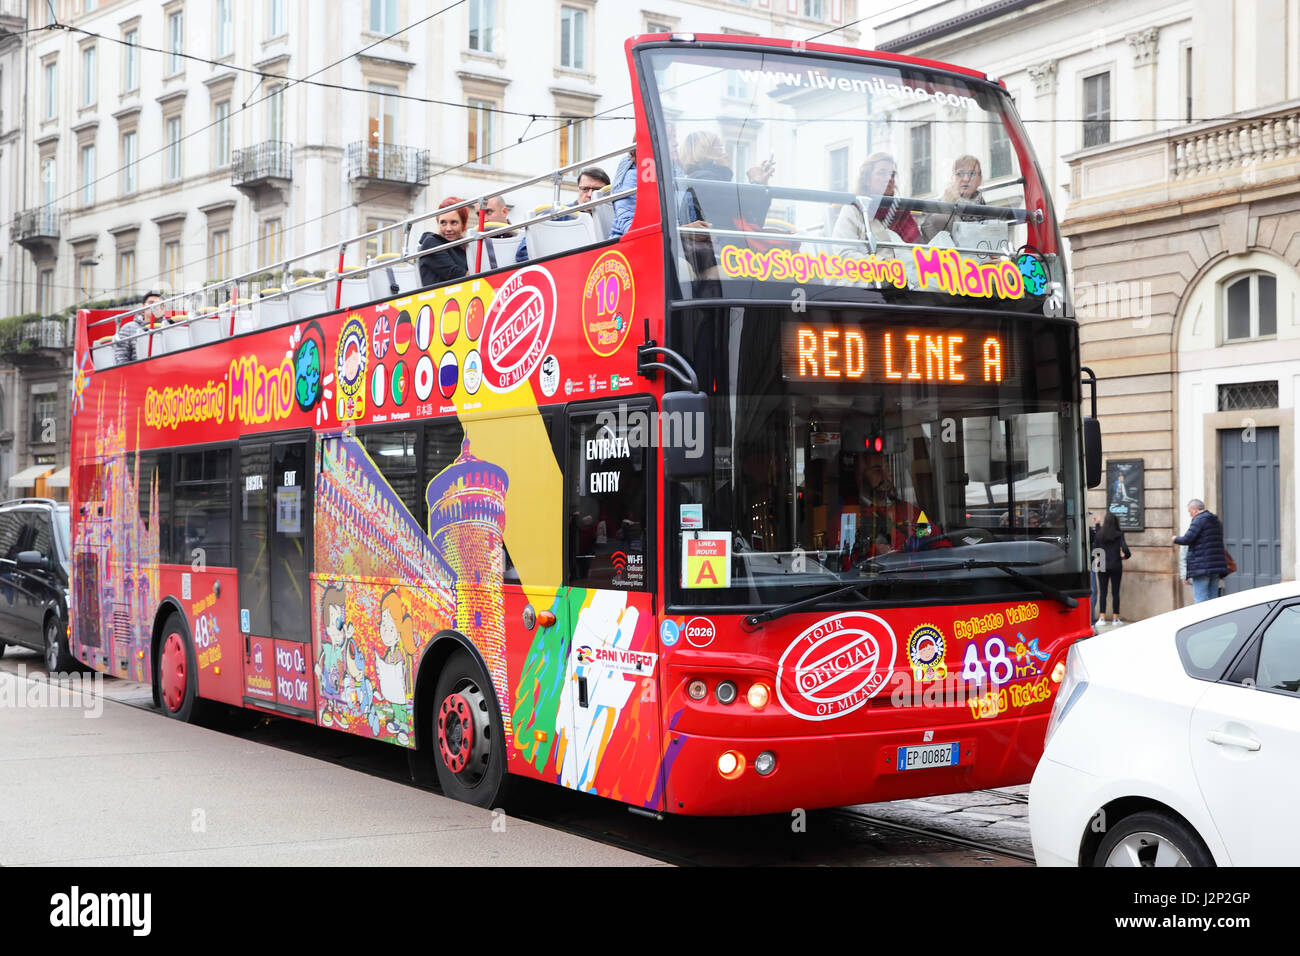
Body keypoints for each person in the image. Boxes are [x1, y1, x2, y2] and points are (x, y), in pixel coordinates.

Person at [514, 166, 610, 263]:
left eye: (596, 190)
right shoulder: (558, 215)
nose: (589, 195)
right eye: (585, 189)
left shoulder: (613, 218)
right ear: (578, 189)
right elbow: (523, 252)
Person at [833, 152, 922, 248]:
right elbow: (845, 251)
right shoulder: (854, 209)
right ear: (867, 180)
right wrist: (881, 262)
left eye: (892, 175)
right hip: (872, 262)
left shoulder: (900, 211)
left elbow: (919, 249)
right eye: (882, 173)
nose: (889, 178)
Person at [1173, 498, 1228, 603]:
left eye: (1190, 512)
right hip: (1215, 566)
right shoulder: (1215, 520)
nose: (1190, 515)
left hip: (1201, 566)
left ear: (1194, 509)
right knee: (1213, 599)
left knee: (1200, 600)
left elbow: (1187, 539)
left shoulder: (1198, 520)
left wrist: (1175, 539)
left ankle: (1204, 619)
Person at [921, 155, 987, 239]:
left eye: (972, 173)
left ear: (980, 180)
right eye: (960, 174)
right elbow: (930, 237)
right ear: (952, 178)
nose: (966, 179)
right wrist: (945, 207)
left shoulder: (989, 211)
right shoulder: (932, 206)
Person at [417, 197, 469, 286]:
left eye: (454, 223)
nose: (448, 229)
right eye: (443, 223)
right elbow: (456, 274)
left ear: (463, 225)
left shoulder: (465, 246)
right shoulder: (431, 243)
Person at [1095, 513, 1132, 625]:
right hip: (1116, 565)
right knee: (1115, 592)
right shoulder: (1119, 534)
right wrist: (1125, 557)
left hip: (1102, 565)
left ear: (1105, 522)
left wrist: (1097, 524)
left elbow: (1095, 550)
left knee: (1103, 592)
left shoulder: (1099, 534)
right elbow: (1125, 549)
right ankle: (1116, 618)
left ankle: (1102, 618)